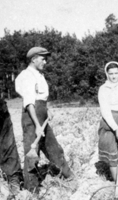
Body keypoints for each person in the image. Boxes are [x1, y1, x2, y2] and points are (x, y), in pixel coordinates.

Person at [15, 47, 74, 192]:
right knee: (32, 154)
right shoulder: (26, 76)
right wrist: (37, 124)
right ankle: (32, 189)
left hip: (41, 114)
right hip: (31, 117)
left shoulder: (39, 75)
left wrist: (48, 110)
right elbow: (29, 103)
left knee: (53, 147)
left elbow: (40, 99)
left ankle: (69, 176)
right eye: (42, 59)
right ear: (34, 59)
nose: (45, 62)